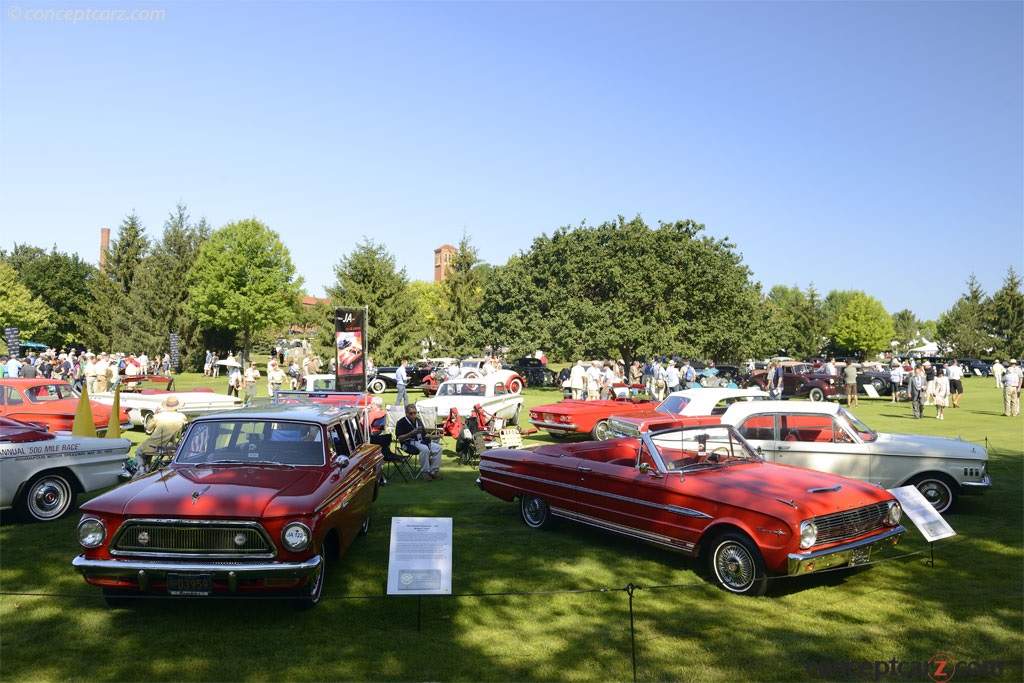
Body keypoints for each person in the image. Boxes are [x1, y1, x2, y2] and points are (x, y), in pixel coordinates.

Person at [134, 396, 188, 474]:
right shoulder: (182, 417)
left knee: (139, 452)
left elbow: (148, 428)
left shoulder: (158, 417)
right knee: (149, 453)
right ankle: (147, 468)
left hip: (153, 445)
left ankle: (142, 468)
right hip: (171, 447)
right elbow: (184, 429)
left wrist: (154, 415)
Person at [395, 404, 442, 480]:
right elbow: (399, 438)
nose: (413, 415)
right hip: (409, 443)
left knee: (438, 448)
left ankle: (433, 471)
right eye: (411, 413)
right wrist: (411, 433)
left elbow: (425, 434)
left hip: (421, 441)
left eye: (415, 413)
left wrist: (435, 436)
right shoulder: (401, 422)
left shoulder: (418, 420)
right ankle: (425, 472)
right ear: (406, 413)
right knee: (425, 449)